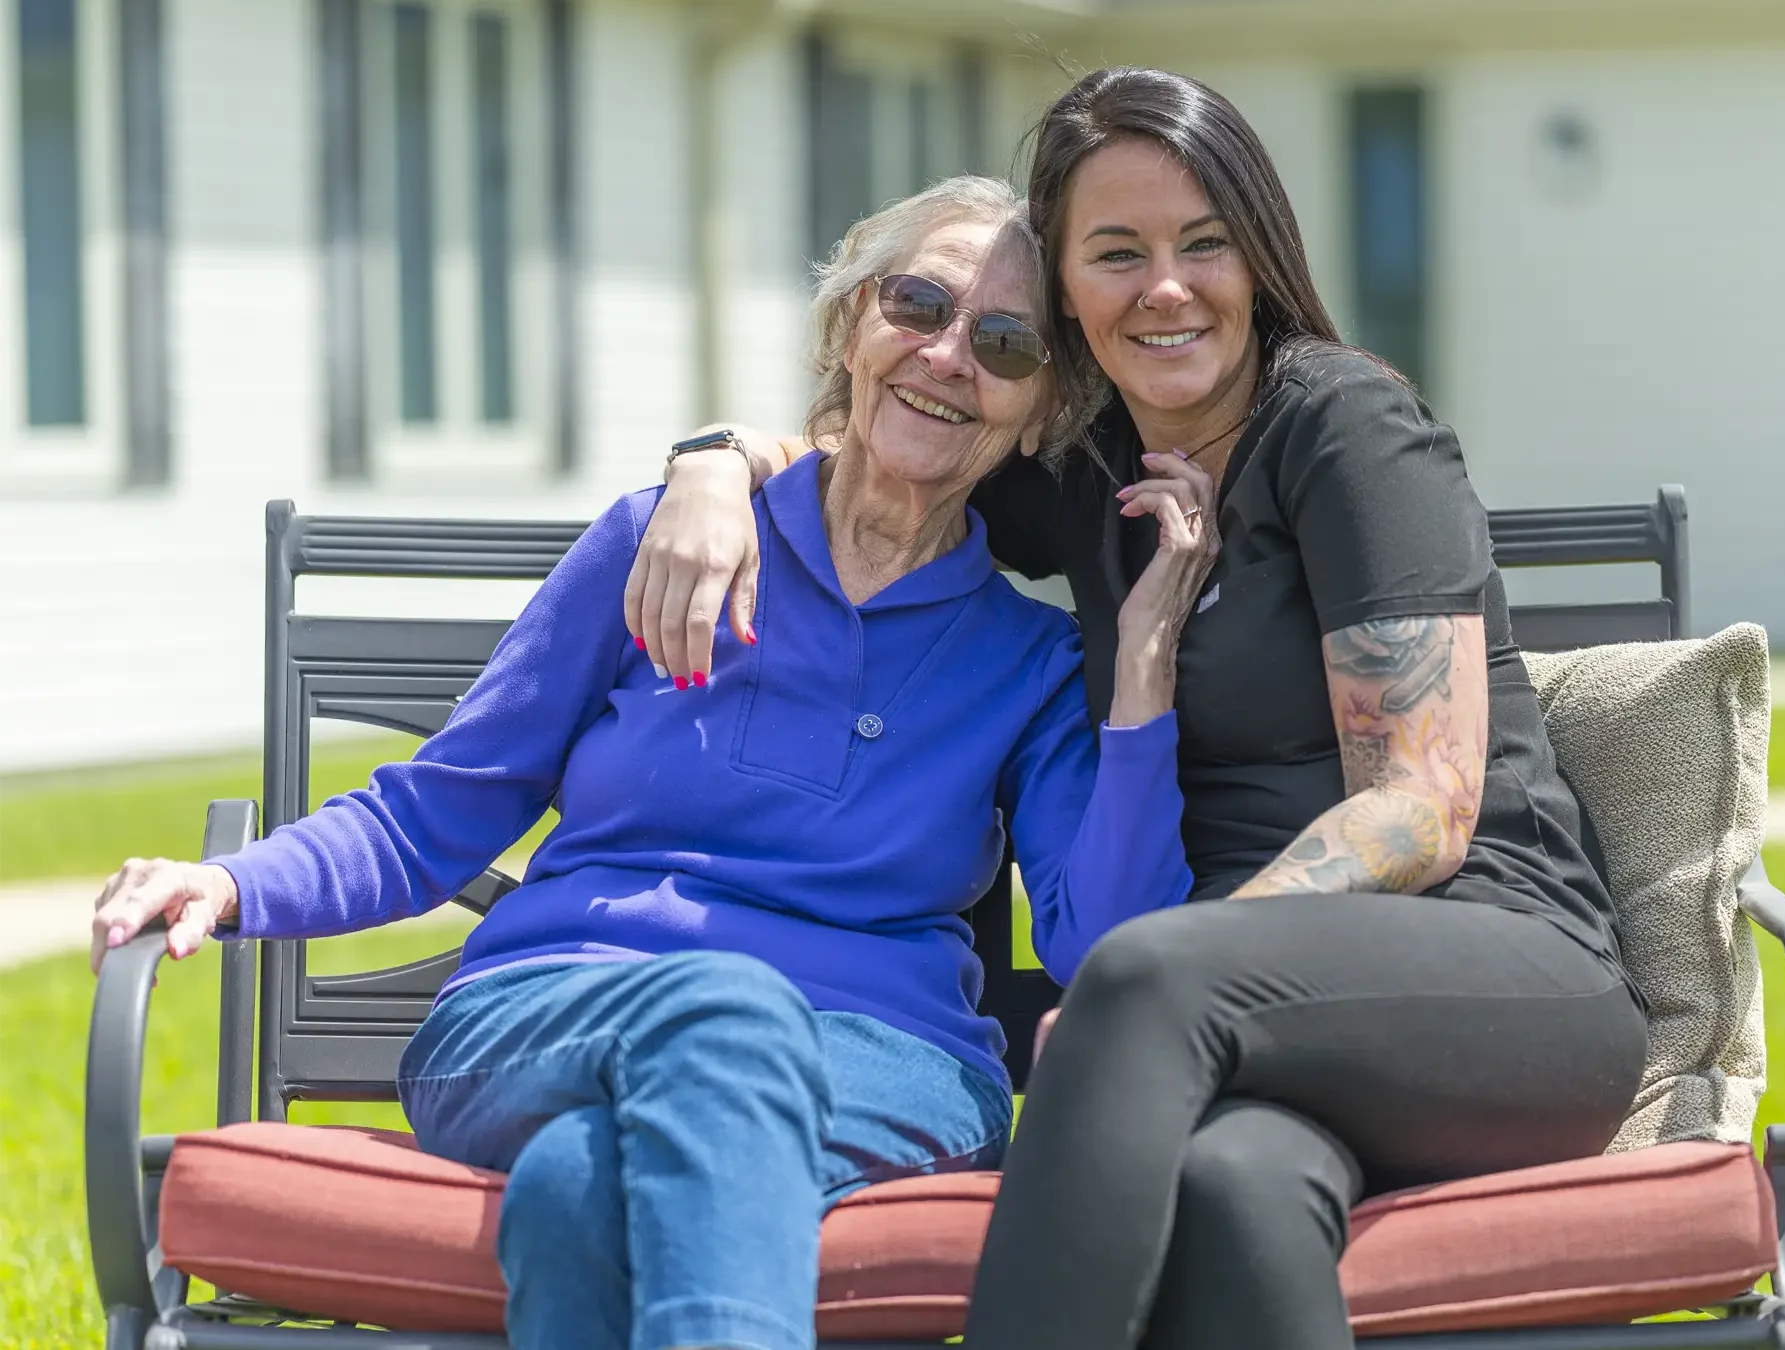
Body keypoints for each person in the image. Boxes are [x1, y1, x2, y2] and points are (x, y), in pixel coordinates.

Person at [87, 175, 1215, 1350]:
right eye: (916, 304)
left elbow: (1103, 942)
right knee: (723, 1016)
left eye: (1002, 342)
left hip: (884, 1063)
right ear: (851, 324)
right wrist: (230, 881)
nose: (944, 355)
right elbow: (434, 812)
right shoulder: (663, 544)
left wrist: (1141, 669)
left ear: (1040, 411)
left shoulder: (1025, 661)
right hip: (546, 1013)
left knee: (578, 1183)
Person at [619, 68, 1650, 1350]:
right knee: (1233, 1189)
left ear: (1257, 256)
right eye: (1115, 253)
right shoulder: (1088, 477)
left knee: (1141, 975)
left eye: (1202, 244)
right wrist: (712, 464)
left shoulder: (1344, 429)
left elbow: (1423, 807)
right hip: (1255, 1029)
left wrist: (1176, 969)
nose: (1165, 288)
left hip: (1500, 978)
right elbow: (889, 447)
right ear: (1062, 292)